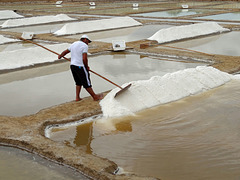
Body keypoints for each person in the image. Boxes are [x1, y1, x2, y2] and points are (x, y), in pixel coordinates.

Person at [58, 35, 103, 101]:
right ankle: (95, 97)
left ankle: (77, 97)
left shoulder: (74, 44)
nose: (88, 43)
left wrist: (60, 56)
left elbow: (65, 52)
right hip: (80, 66)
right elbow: (84, 58)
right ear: (85, 39)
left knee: (78, 82)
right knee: (86, 82)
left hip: (73, 66)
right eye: (88, 41)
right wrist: (86, 66)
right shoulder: (84, 46)